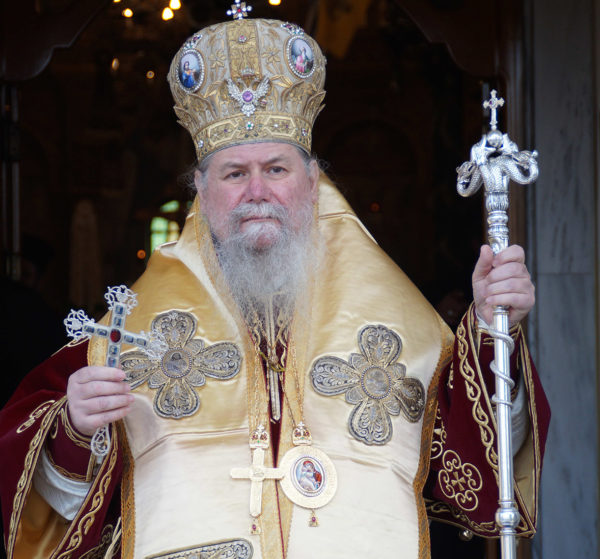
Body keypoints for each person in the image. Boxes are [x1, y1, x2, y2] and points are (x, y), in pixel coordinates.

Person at [0, 13, 550, 559]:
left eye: (276, 169)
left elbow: (477, 474)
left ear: (313, 183)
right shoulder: (127, 340)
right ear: (201, 191)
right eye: (234, 173)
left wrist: (490, 329)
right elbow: (39, 504)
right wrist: (74, 427)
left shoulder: (406, 334)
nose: (257, 191)